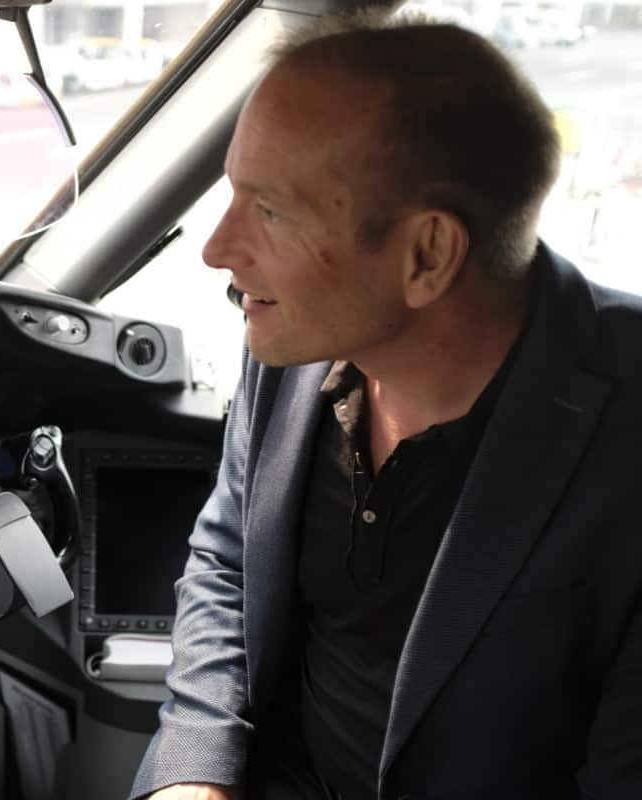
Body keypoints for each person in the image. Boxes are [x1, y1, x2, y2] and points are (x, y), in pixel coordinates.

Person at [130, 9, 642, 800]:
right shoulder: (292, 337)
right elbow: (231, 556)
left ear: (428, 254)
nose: (218, 251)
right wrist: (195, 772)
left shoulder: (626, 428)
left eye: (269, 211)